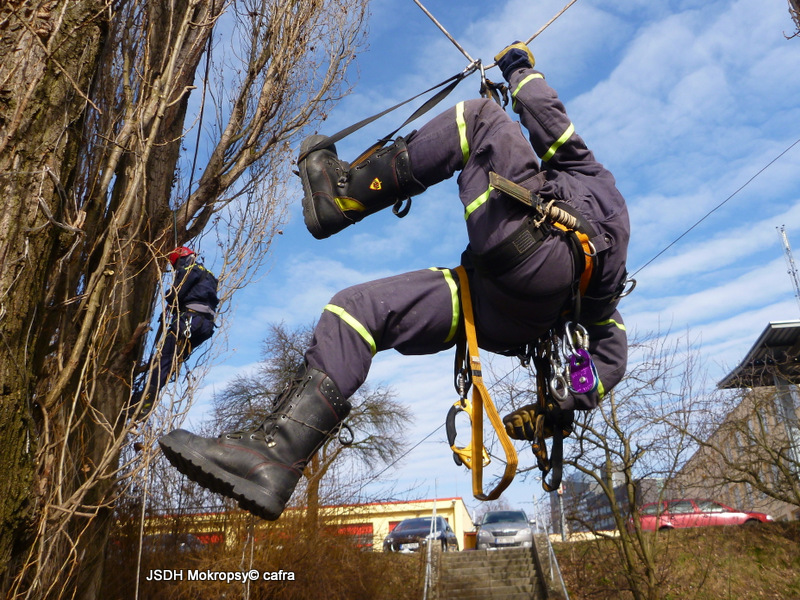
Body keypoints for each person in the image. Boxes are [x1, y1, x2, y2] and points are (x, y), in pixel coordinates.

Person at [159, 42, 630, 520]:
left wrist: (518, 67)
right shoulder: (607, 285)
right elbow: (612, 353)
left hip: (533, 254)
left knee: (480, 119)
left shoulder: (588, 174)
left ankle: (341, 195)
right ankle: (275, 458)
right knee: (355, 311)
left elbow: (545, 115)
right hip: (502, 313)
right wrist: (559, 406)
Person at [128, 247, 218, 420]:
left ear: (180, 259)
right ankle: (145, 400)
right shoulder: (209, 275)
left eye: (175, 265)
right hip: (205, 326)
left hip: (189, 320)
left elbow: (176, 293)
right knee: (171, 362)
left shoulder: (188, 269)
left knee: (164, 360)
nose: (176, 269)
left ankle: (143, 403)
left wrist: (169, 297)